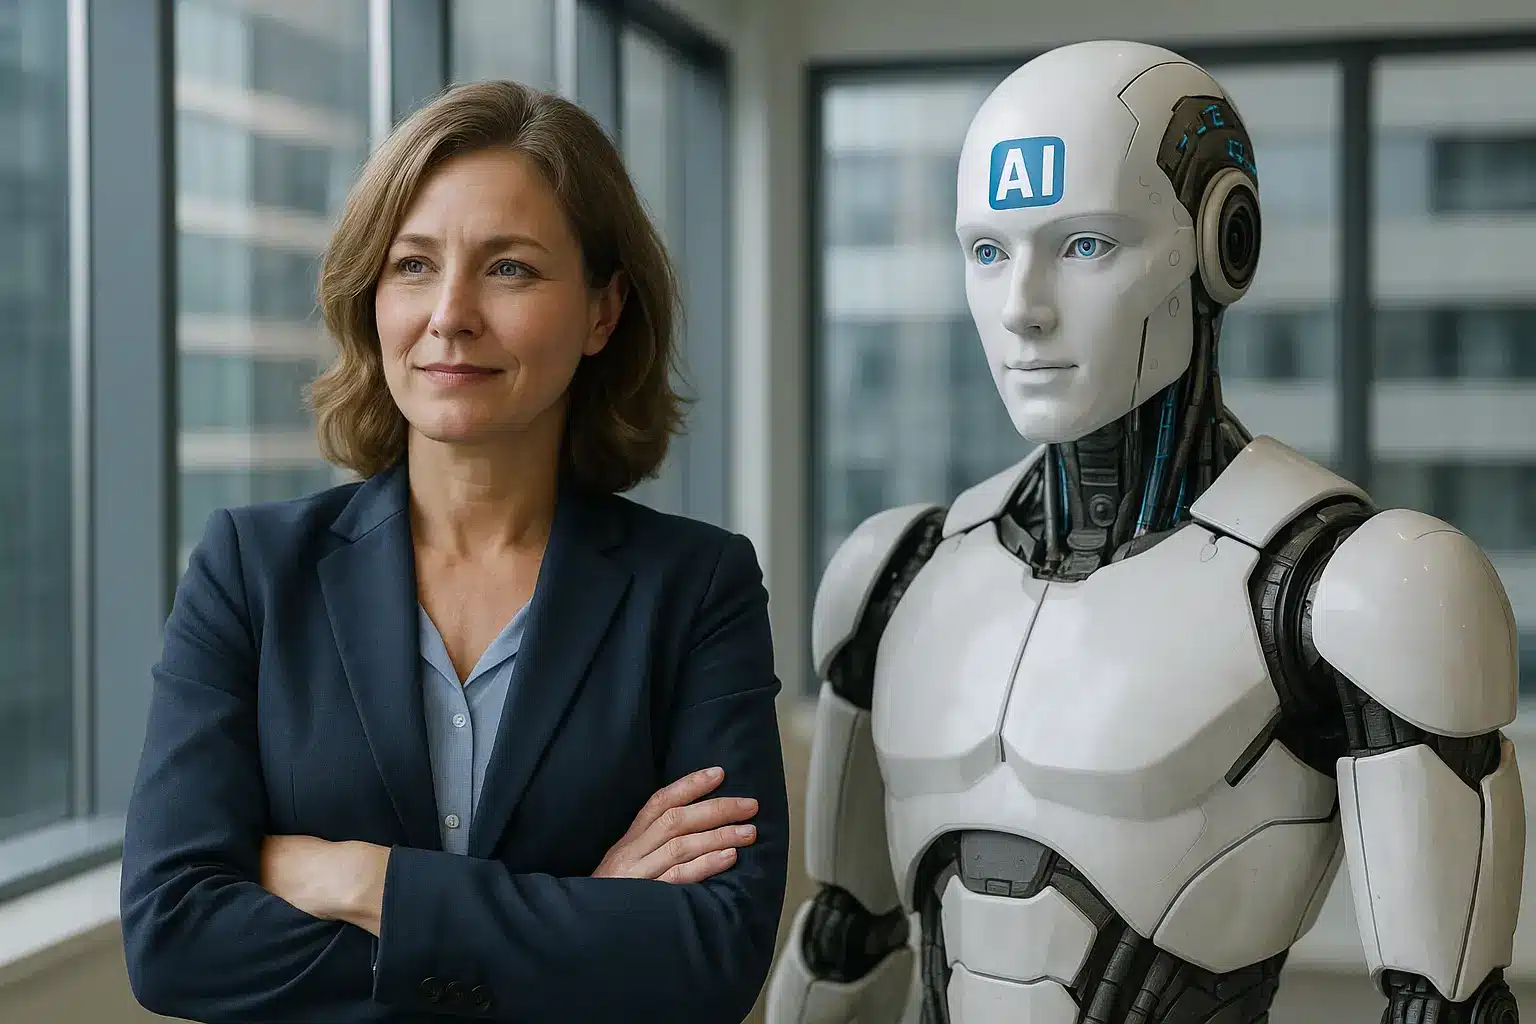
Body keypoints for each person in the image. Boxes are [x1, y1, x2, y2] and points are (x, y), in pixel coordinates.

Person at [765, 40, 1523, 1024]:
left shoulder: (1350, 586)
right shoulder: (896, 574)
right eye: (988, 251)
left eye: (1084, 245)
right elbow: (842, 942)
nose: (1021, 311)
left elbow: (1446, 1006)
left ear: (1224, 242)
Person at [120, 80, 789, 1023]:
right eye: (413, 265)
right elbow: (172, 939)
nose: (451, 314)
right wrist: (585, 918)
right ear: (373, 296)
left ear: (604, 311)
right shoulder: (249, 571)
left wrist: (364, 880)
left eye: (510, 269)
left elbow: (713, 955)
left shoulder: (698, 588)